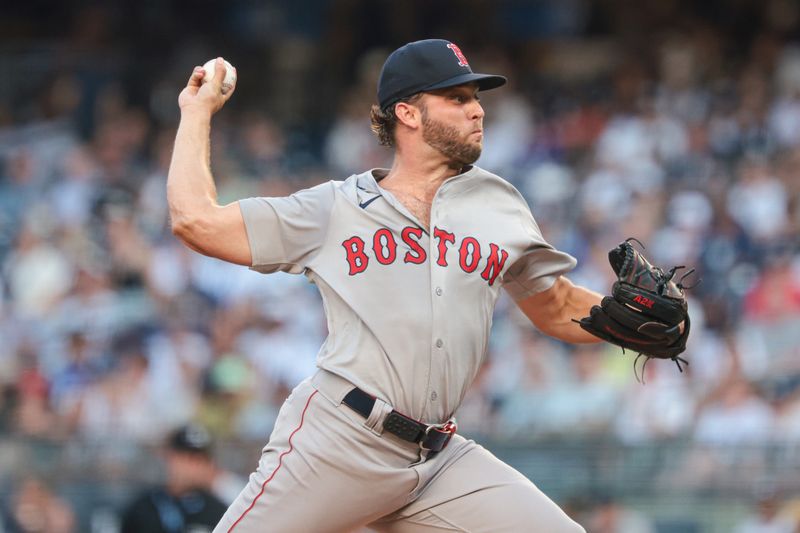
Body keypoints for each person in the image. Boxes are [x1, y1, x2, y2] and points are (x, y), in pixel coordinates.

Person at [168, 39, 608, 532]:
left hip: (438, 460)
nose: (478, 111)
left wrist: (638, 326)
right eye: (458, 99)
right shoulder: (335, 208)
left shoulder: (498, 203)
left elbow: (556, 306)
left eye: (477, 99)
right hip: (340, 440)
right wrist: (195, 112)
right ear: (408, 114)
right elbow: (196, 222)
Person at [120, 423, 228, 533]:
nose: (191, 467)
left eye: (199, 460)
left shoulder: (220, 513)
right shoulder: (142, 509)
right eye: (184, 458)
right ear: (168, 457)